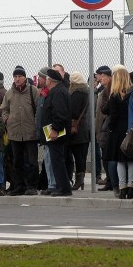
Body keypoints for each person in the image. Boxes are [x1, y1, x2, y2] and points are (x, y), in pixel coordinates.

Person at [1, 66, 41, 196]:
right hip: (14, 133)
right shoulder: (9, 93)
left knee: (32, 162)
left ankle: (32, 186)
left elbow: (39, 109)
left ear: (25, 77)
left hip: (30, 133)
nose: (17, 79)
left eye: (20, 76)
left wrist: (35, 124)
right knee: (16, 161)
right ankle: (19, 185)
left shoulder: (33, 91)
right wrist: (7, 120)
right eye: (15, 76)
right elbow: (4, 109)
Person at [40, 68, 72, 196]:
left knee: (57, 160)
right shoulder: (57, 91)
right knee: (56, 160)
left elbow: (60, 113)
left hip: (56, 133)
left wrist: (55, 129)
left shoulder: (58, 92)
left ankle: (63, 188)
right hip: (53, 132)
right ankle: (61, 186)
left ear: (50, 80)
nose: (46, 80)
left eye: (47, 78)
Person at [103, 66, 133, 198]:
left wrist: (110, 127)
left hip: (116, 130)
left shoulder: (114, 95)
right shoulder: (131, 94)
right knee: (130, 159)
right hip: (129, 128)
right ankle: (132, 186)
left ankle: (122, 187)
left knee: (119, 160)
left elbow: (111, 113)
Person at [67, 71, 91, 191]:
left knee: (77, 156)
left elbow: (74, 112)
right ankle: (80, 180)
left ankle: (79, 180)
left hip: (76, 130)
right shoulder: (86, 92)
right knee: (81, 156)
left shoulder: (76, 93)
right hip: (84, 128)